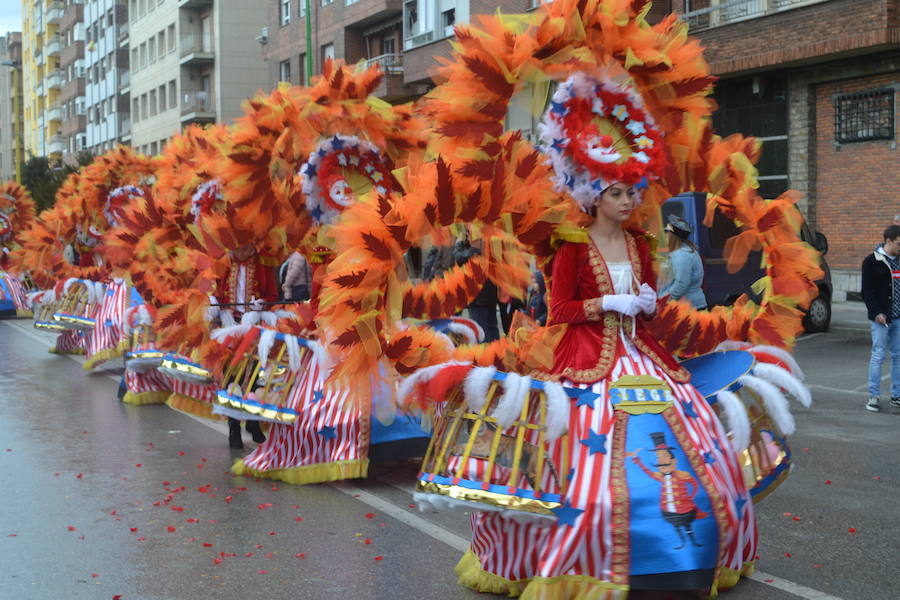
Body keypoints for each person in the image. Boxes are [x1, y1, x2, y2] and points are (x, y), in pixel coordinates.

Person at [860, 225, 900, 412]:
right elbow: (867, 292)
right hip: (881, 319)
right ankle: (873, 396)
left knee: (898, 358)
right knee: (878, 356)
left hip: (899, 319)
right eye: (899, 244)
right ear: (889, 241)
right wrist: (877, 313)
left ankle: (896, 396)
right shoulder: (871, 261)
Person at [662, 215, 707, 309]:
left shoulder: (682, 255)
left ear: (673, 236)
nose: (664, 235)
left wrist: (665, 301)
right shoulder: (680, 252)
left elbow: (681, 283)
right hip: (686, 306)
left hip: (688, 307)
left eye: (666, 232)